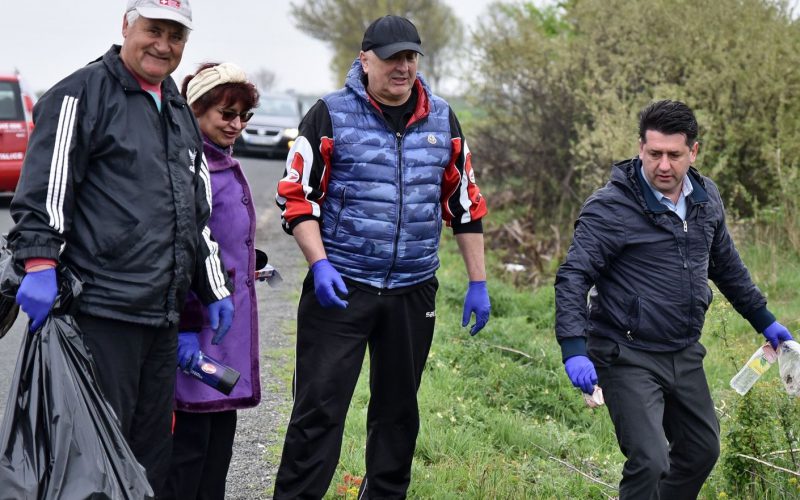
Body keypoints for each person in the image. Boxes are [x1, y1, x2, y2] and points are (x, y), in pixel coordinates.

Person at [8, 0, 234, 495]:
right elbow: (45, 190)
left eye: (176, 37)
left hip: (160, 317)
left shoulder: (175, 107)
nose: (163, 45)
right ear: (126, 26)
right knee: (89, 457)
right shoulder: (80, 94)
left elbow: (195, 212)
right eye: (153, 30)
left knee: (146, 453)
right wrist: (41, 264)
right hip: (100, 313)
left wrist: (213, 288)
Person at [274, 14, 491, 499]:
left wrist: (478, 283)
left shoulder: (442, 118)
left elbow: (465, 203)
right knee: (318, 412)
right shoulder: (329, 113)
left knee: (397, 415)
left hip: (413, 291)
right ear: (365, 59)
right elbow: (296, 197)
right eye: (393, 57)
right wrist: (319, 263)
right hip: (342, 289)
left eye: (411, 56)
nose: (404, 66)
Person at [554, 99, 794, 498]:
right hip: (625, 351)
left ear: (693, 152)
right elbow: (573, 276)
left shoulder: (705, 199)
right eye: (654, 153)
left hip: (682, 350)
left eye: (674, 155)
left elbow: (727, 267)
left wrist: (764, 320)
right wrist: (574, 347)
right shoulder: (611, 207)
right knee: (650, 459)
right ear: (640, 148)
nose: (663, 165)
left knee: (701, 451)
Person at [162, 62, 261, 500]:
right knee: (189, 449)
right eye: (227, 114)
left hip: (225, 333)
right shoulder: (187, 165)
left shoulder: (224, 161)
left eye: (244, 116)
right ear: (197, 111)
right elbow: (180, 248)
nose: (237, 125)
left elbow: (219, 237)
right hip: (196, 332)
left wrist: (249, 259)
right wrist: (184, 326)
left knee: (219, 442)